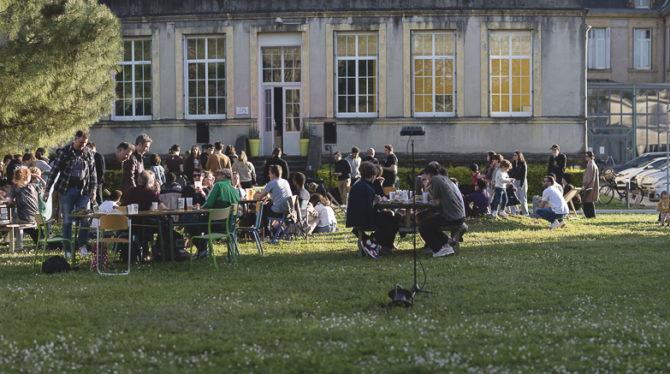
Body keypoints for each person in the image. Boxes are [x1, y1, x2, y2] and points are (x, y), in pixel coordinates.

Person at [43, 130, 97, 259]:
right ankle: (67, 249)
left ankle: (82, 245)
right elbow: (54, 171)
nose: (82, 145)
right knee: (67, 220)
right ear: (75, 139)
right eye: (80, 143)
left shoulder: (88, 153)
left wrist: (93, 190)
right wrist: (47, 190)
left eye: (85, 143)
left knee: (85, 219)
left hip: (83, 191)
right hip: (67, 190)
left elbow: (93, 172)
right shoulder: (65, 152)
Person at [346, 161, 399, 258]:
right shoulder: (366, 187)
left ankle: (373, 242)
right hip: (363, 218)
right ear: (372, 175)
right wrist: (375, 201)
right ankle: (372, 241)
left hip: (355, 217)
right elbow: (367, 208)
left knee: (388, 217)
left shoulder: (360, 184)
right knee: (393, 221)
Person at [418, 162, 467, 257]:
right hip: (459, 216)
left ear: (428, 174)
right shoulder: (444, 178)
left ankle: (438, 249)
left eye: (425, 174)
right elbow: (438, 200)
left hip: (451, 217)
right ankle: (446, 245)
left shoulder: (435, 180)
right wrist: (428, 189)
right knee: (431, 224)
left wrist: (428, 188)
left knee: (423, 226)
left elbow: (436, 202)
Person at [7, 168, 41, 244]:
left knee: (14, 219)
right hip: (37, 216)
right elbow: (45, 186)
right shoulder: (34, 186)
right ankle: (42, 241)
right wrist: (38, 177)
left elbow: (10, 202)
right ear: (27, 177)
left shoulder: (14, 187)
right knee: (39, 226)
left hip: (24, 217)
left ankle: (17, 244)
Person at [510, 150, 528, 215]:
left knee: (523, 199)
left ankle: (525, 213)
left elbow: (524, 175)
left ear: (519, 156)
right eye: (513, 155)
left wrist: (521, 185)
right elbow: (511, 173)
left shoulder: (523, 164)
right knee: (513, 197)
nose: (514, 156)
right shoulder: (513, 164)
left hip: (521, 181)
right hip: (514, 181)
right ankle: (514, 212)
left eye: (515, 155)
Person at [582, 150, 599, 218]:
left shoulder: (590, 164)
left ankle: (589, 215)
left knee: (586, 202)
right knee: (590, 202)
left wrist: (584, 185)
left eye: (587, 156)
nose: (586, 158)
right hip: (592, 185)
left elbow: (588, 177)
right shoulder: (593, 164)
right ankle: (591, 215)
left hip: (589, 186)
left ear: (590, 157)